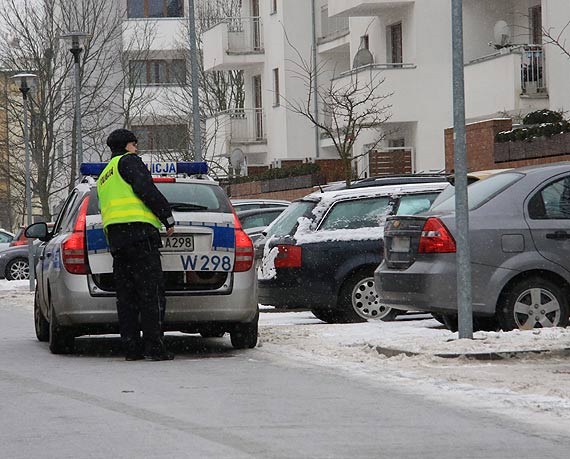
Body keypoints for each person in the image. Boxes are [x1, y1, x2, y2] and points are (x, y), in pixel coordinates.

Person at [97, 129, 176, 361]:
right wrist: (166, 217)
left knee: (127, 296)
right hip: (140, 235)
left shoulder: (104, 174)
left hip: (118, 241)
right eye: (135, 144)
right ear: (128, 145)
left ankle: (131, 348)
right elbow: (146, 189)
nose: (137, 148)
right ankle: (154, 347)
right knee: (150, 293)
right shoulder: (129, 162)